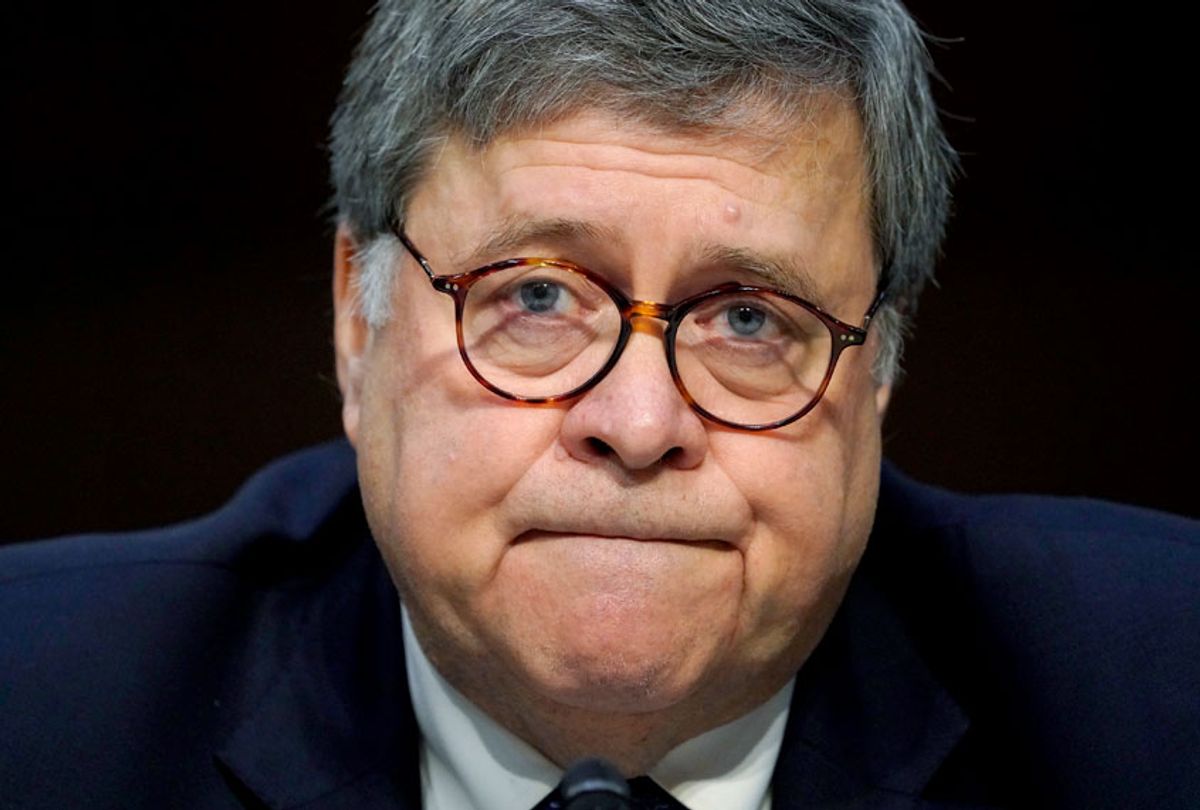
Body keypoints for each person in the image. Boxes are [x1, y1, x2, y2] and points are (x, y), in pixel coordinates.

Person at [1, 1, 1196, 808]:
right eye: (534, 296)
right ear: (357, 324)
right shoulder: (41, 710)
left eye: (747, 318)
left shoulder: (1158, 701)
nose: (634, 423)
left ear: (877, 367)